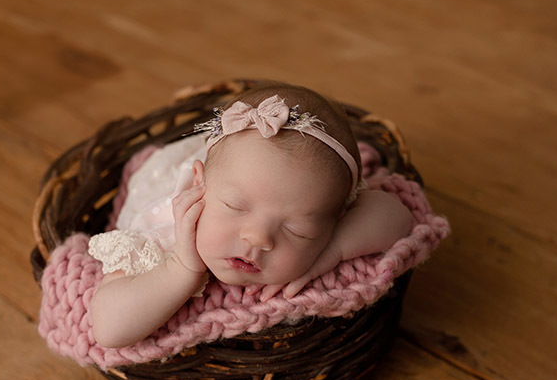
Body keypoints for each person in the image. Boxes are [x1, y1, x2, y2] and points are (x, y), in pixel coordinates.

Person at [87, 82, 413, 348]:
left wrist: (333, 249)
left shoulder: (319, 208)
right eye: (235, 208)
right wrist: (180, 269)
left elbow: (400, 217)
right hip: (185, 171)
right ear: (199, 185)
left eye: (296, 229)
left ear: (336, 218)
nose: (257, 237)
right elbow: (108, 329)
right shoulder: (167, 230)